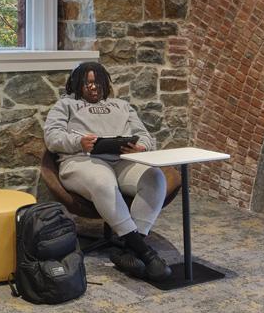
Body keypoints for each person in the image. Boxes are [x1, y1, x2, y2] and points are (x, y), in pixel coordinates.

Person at [43, 61, 172, 281]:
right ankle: (146, 254)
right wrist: (78, 142)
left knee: (155, 177)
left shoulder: (121, 106)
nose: (93, 87)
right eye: (87, 83)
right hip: (81, 161)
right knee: (103, 180)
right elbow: (52, 137)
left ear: (106, 83)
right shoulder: (66, 105)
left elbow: (145, 136)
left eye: (97, 82)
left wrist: (141, 146)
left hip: (122, 160)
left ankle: (131, 250)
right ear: (77, 84)